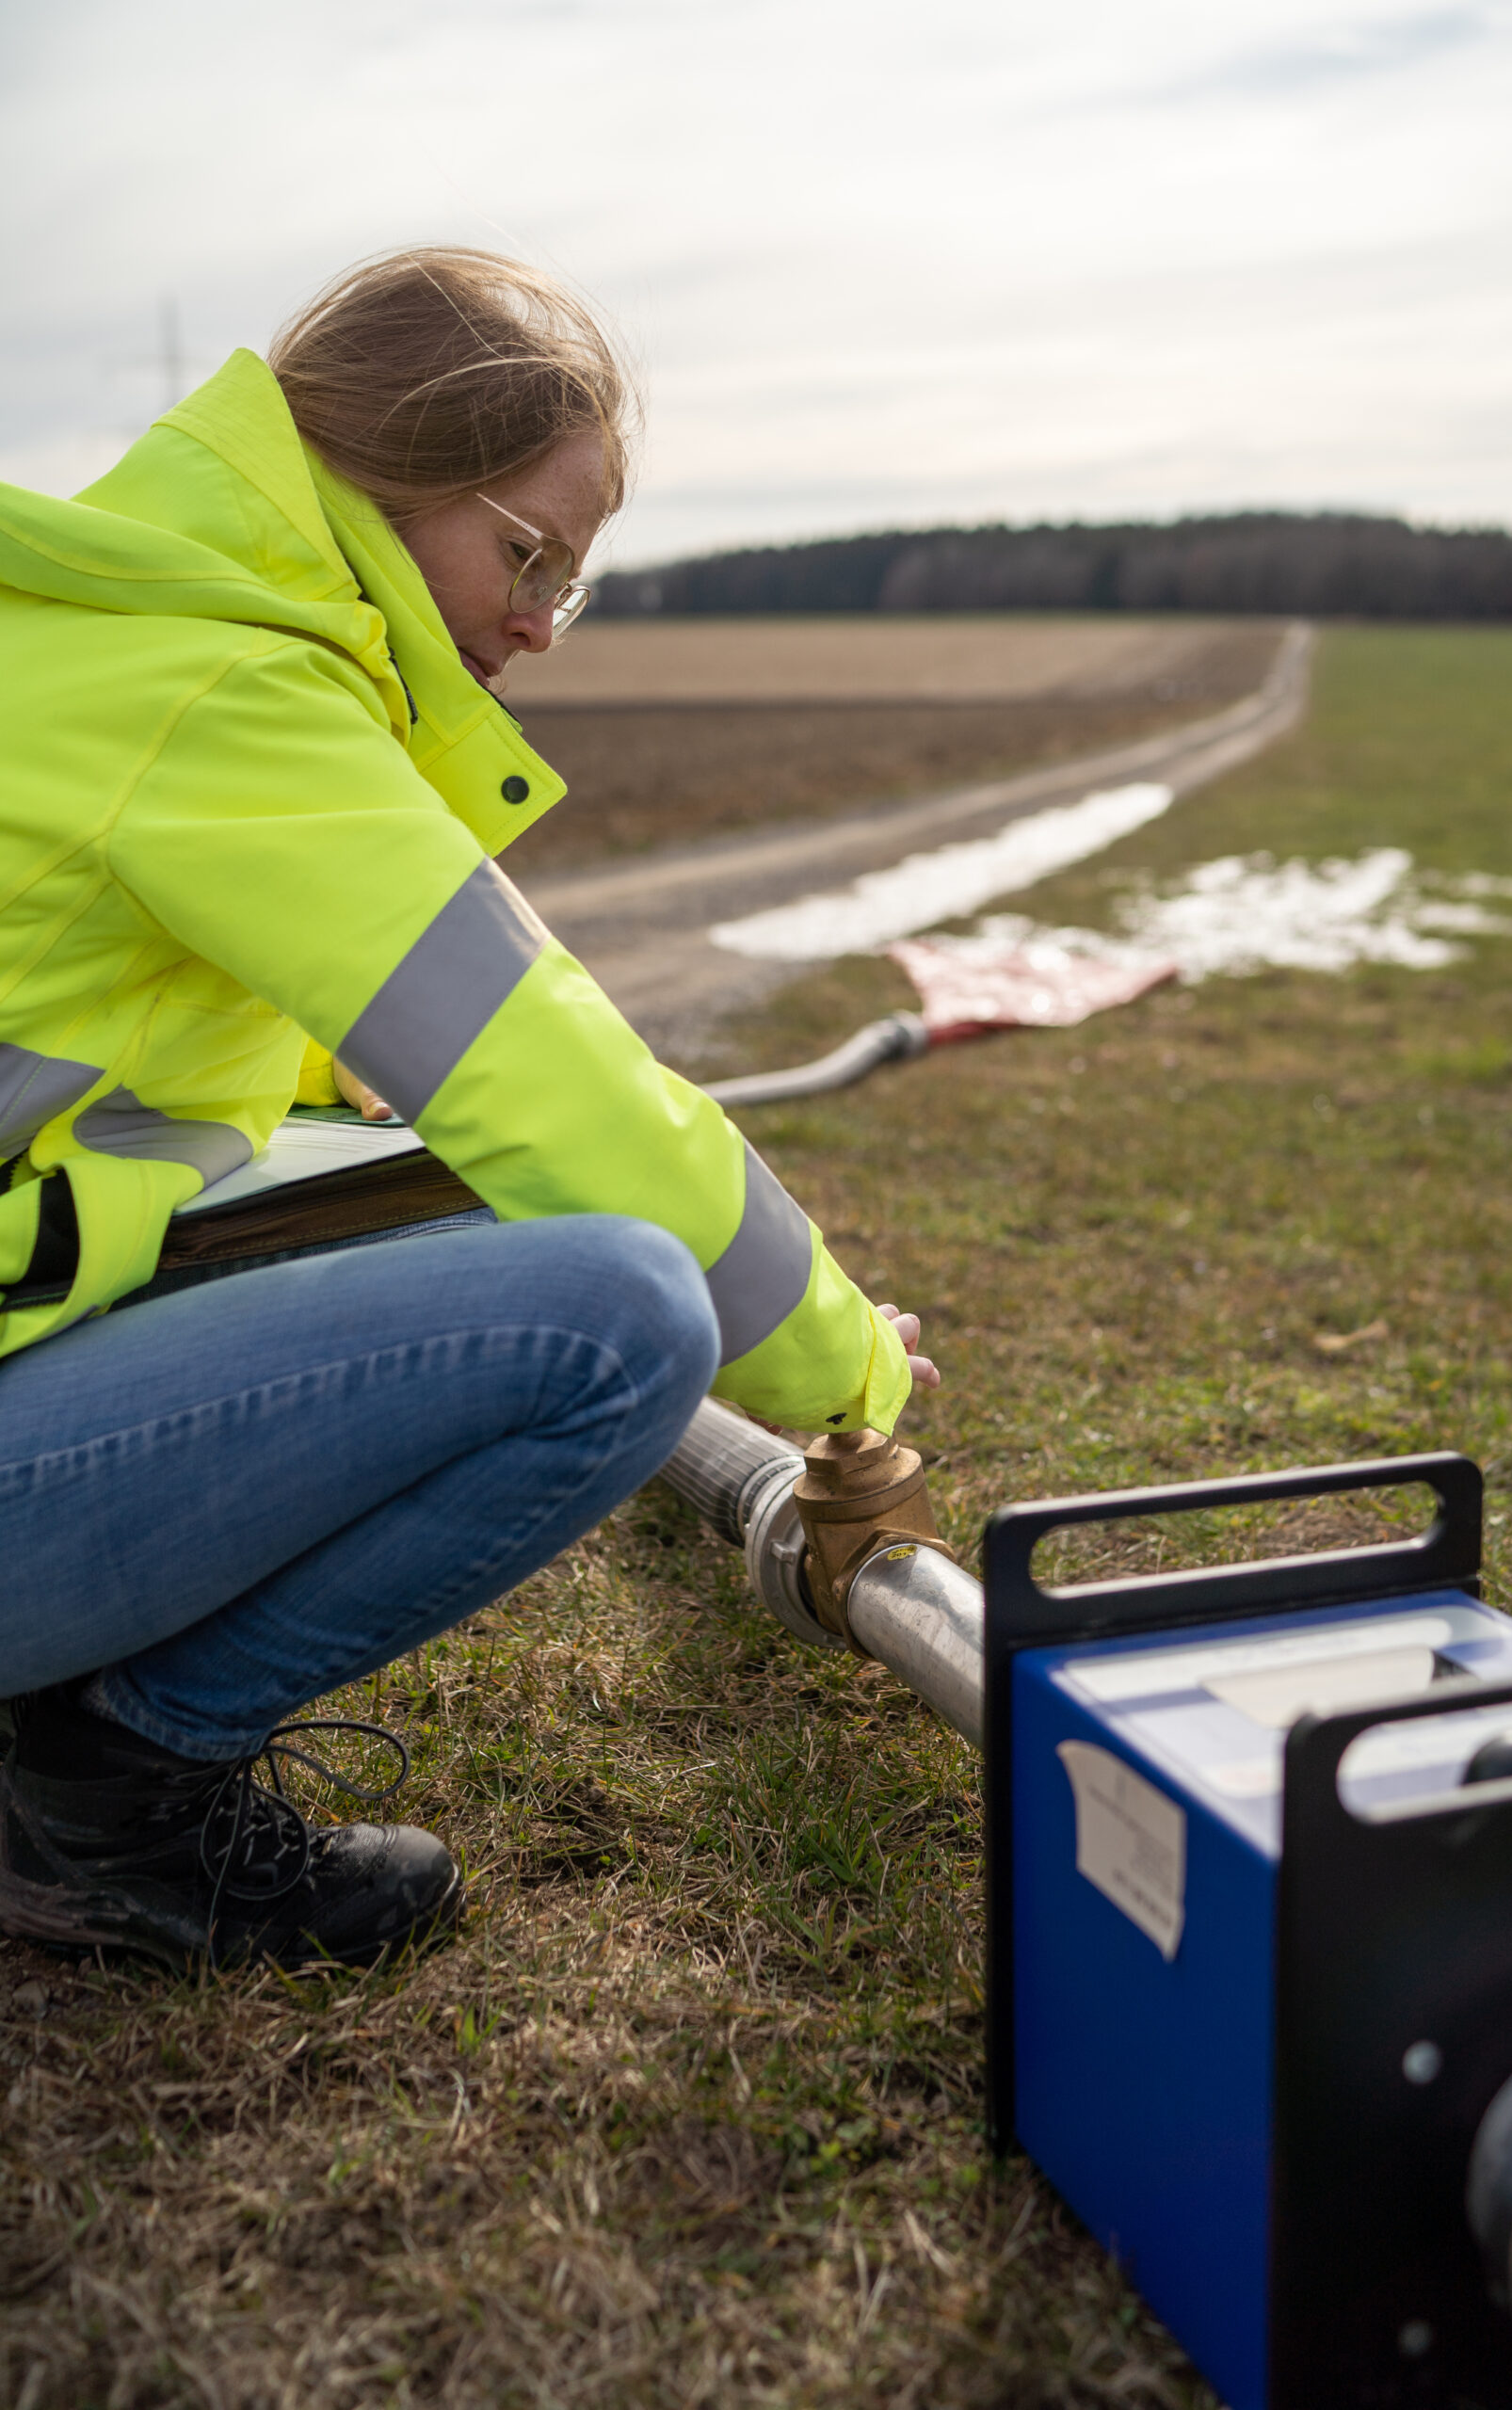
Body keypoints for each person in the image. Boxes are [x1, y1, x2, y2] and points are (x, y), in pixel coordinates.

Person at [0, 247, 938, 1974]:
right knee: (621, 1313)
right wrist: (846, 1374)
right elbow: (543, 1070)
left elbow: (123, 1055)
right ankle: (110, 1794)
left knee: (442, 1189)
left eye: (567, 588)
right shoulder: (223, 691)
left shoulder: (114, 625)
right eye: (526, 556)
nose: (536, 626)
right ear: (385, 479)